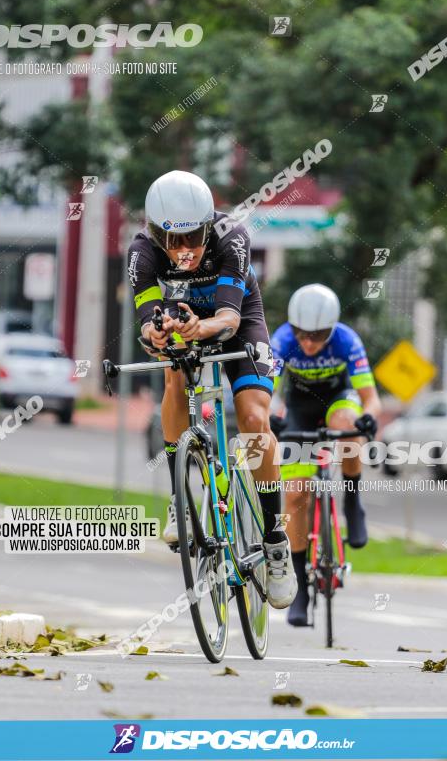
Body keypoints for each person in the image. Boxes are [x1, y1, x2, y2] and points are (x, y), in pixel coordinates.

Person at [127, 170, 297, 610]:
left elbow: (229, 320)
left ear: (208, 224)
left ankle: (276, 540)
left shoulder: (230, 238)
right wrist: (157, 336)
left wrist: (202, 327)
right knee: (173, 375)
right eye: (172, 240)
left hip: (235, 321)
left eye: (193, 238)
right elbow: (147, 324)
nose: (183, 251)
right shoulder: (142, 253)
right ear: (154, 233)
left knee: (255, 420)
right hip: (184, 324)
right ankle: (180, 498)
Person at [270, 283, 381, 626]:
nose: (308, 342)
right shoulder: (282, 340)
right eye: (302, 334)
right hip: (300, 410)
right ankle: (300, 587)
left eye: (317, 336)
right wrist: (271, 418)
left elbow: (371, 398)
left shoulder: (347, 340)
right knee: (296, 494)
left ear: (331, 329)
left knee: (348, 425)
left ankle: (352, 500)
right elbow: (268, 394)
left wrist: (368, 419)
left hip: (339, 399)